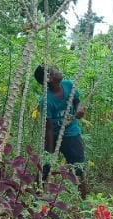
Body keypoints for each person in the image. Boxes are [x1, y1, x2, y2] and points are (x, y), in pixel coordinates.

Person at [34, 64, 89, 198]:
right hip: (53, 136)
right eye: (55, 70)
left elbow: (77, 102)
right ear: (49, 79)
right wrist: (51, 152)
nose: (59, 70)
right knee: (45, 167)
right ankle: (36, 197)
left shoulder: (69, 85)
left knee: (79, 167)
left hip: (71, 133)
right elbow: (49, 128)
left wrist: (79, 110)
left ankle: (85, 199)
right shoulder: (46, 100)